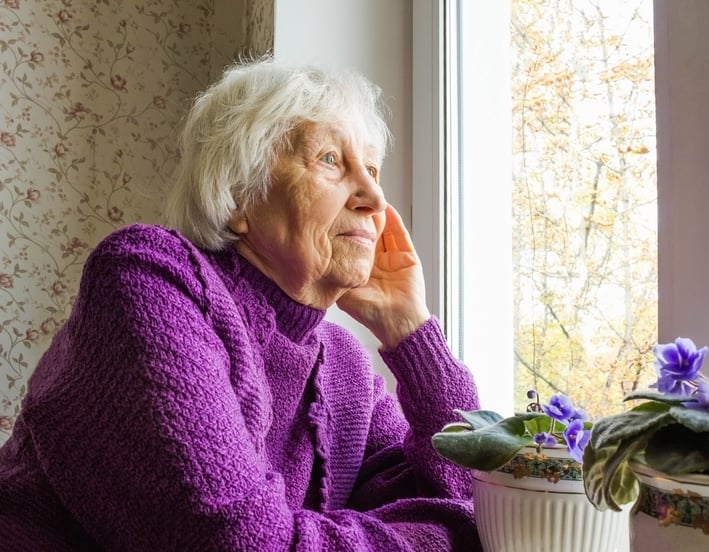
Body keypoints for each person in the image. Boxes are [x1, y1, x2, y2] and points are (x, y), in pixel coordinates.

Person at [0, 57, 483, 550]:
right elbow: (237, 539)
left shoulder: (343, 368)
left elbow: (475, 500)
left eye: (373, 168)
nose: (375, 197)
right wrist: (453, 536)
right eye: (330, 160)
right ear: (238, 196)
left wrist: (412, 333)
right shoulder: (149, 279)